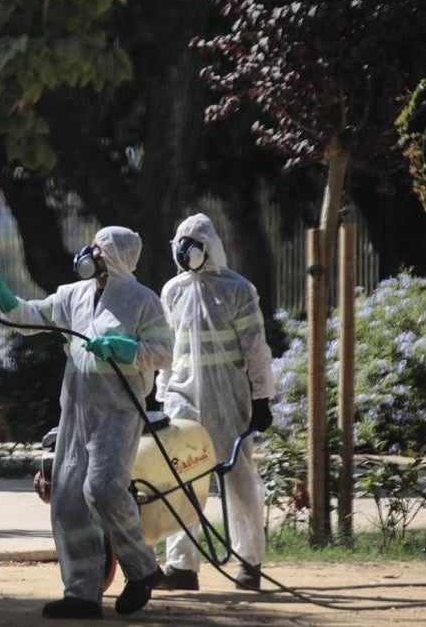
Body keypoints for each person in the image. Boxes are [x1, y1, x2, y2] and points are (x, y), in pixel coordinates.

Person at [0, 226, 172, 619]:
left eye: (96, 248)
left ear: (112, 256)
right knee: (66, 500)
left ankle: (143, 569)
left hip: (117, 411)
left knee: (101, 488)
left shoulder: (142, 302)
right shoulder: (71, 295)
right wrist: (0, 290)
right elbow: (28, 315)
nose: (87, 253)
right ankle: (82, 594)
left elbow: (163, 353)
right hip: (77, 408)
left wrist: (126, 349)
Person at [155, 213, 273, 591]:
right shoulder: (172, 290)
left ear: (209, 248)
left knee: (238, 479)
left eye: (192, 243)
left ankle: (249, 562)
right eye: (181, 243)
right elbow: (169, 349)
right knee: (181, 478)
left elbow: (256, 348)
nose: (184, 251)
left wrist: (261, 398)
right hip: (183, 398)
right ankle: (182, 566)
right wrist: (162, 393)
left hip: (228, 400)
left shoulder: (238, 290)